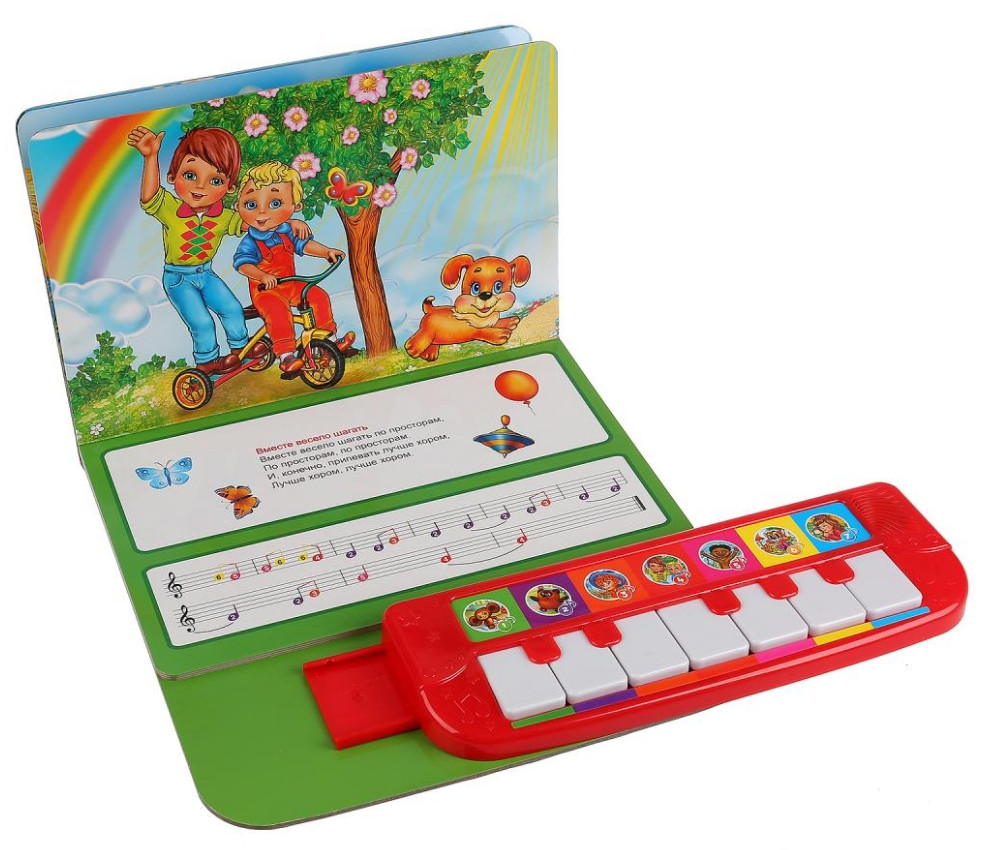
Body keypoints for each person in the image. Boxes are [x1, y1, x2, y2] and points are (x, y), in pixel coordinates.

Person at [128, 126, 310, 374]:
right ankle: (207, 360)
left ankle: (240, 347)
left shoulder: (225, 217)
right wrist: (150, 157)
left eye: (215, 180)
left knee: (232, 309)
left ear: (229, 188)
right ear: (172, 176)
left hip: (206, 274)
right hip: (178, 278)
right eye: (190, 175)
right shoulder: (170, 208)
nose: (201, 187)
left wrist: (290, 224)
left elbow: (260, 221)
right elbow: (149, 197)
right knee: (202, 321)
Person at [233, 161, 355, 373]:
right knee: (279, 314)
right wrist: (262, 276)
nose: (262, 212)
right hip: (266, 291)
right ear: (238, 207)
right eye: (251, 204)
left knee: (318, 296)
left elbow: (305, 245)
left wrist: (326, 252)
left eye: (275, 203)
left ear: (295, 207)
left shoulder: (286, 231)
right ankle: (286, 355)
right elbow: (243, 265)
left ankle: (328, 340)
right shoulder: (251, 241)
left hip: (290, 285)